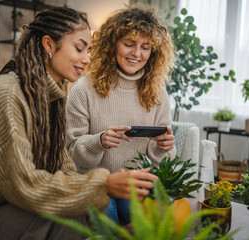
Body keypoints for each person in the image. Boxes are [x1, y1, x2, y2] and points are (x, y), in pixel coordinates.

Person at [0, 7, 157, 240]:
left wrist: (104, 188)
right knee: (74, 212)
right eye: (79, 48)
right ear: (49, 44)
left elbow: (64, 166)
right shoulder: (6, 95)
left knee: (88, 205)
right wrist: (103, 185)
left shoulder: (48, 98)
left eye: (88, 50)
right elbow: (23, 185)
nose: (87, 59)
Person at [66, 7, 176, 226]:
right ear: (112, 43)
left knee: (148, 227)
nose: (137, 54)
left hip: (134, 185)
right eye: (129, 44)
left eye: (145, 47)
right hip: (95, 183)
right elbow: (71, 153)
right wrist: (99, 141)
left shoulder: (157, 92)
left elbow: (164, 161)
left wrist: (164, 146)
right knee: (110, 228)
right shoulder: (83, 89)